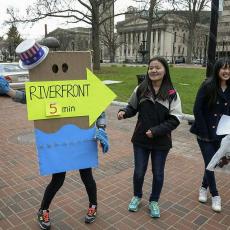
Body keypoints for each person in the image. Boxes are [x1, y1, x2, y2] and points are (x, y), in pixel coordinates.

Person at [0, 78, 109, 229]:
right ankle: (43, 210)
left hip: (81, 138)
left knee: (87, 175)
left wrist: (102, 128)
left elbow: (99, 108)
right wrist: (8, 91)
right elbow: (31, 98)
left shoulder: (83, 84)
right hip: (60, 139)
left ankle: (93, 205)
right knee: (58, 178)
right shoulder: (53, 85)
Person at [117, 57, 182, 218]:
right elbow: (132, 107)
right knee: (139, 171)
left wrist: (156, 131)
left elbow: (176, 119)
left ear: (165, 70)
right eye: (151, 68)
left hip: (161, 141)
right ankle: (137, 196)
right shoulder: (141, 89)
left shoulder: (172, 93)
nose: (153, 70)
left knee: (158, 173)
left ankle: (154, 201)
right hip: (140, 139)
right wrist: (124, 113)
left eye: (157, 67)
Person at [190, 57, 230, 213]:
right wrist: (205, 132)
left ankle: (202, 187)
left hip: (222, 134)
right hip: (204, 133)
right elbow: (197, 109)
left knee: (213, 162)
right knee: (211, 162)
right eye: (223, 68)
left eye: (229, 68)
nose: (226, 71)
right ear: (218, 70)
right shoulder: (207, 85)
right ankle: (215, 195)